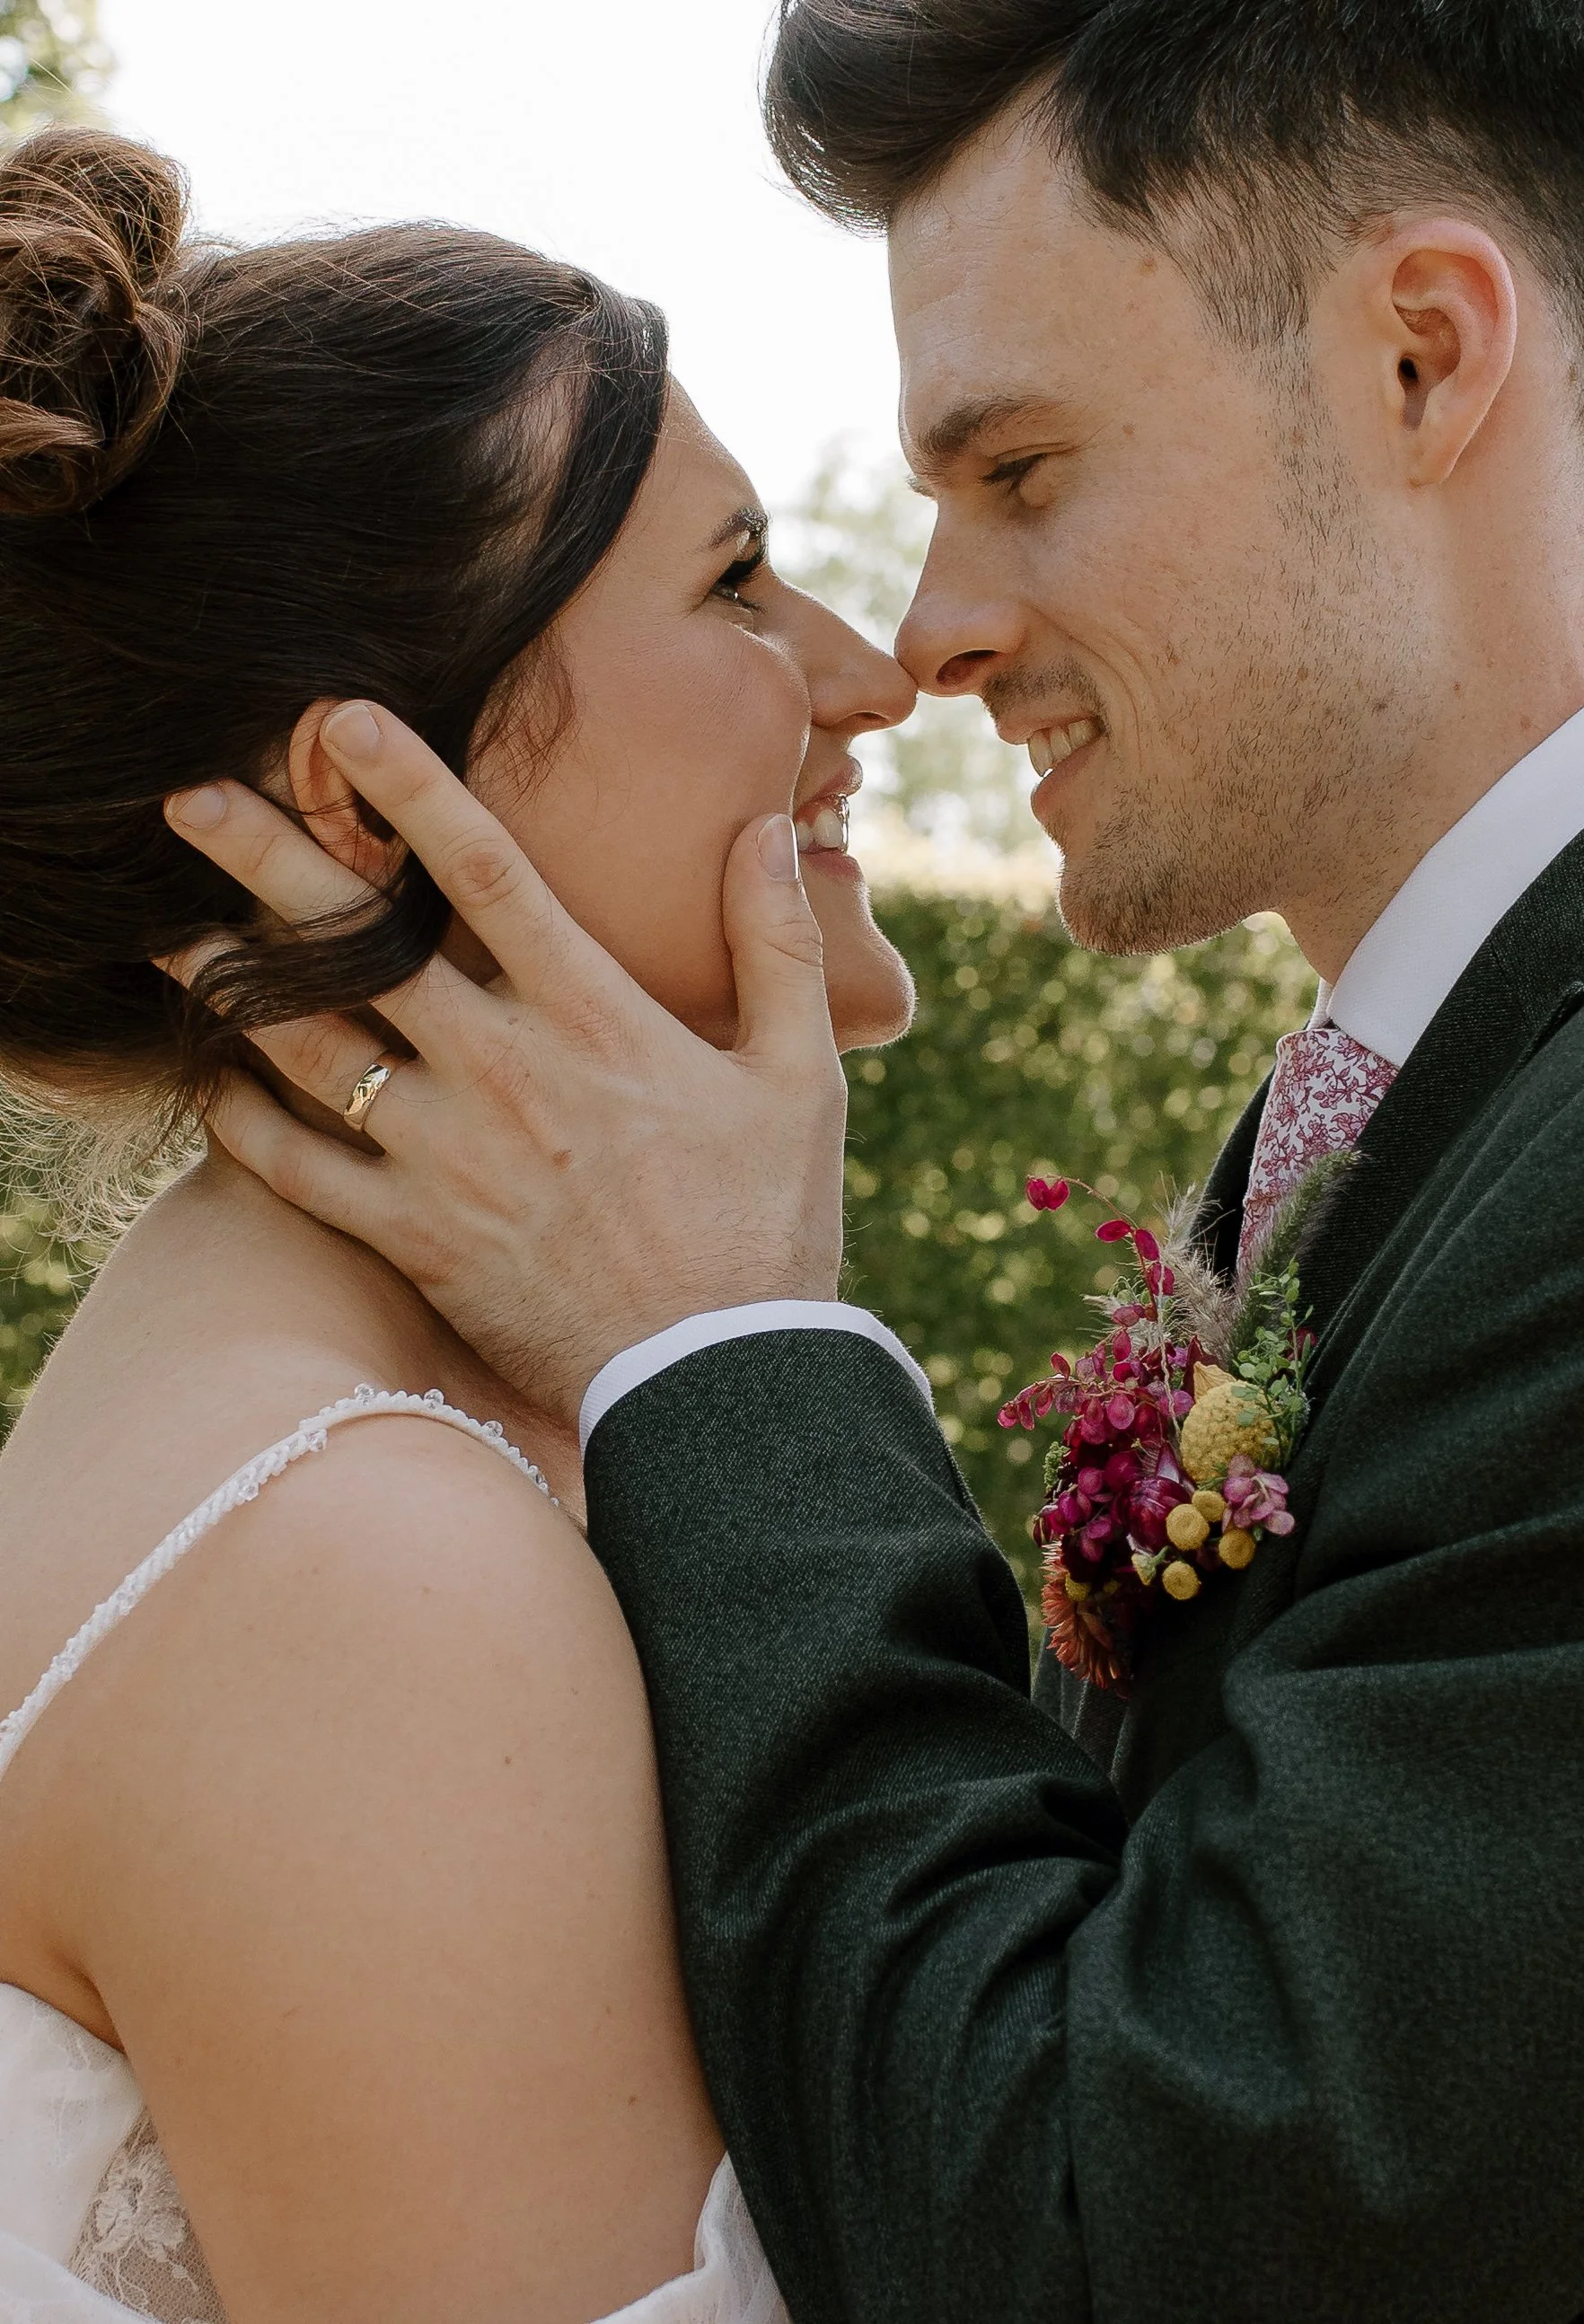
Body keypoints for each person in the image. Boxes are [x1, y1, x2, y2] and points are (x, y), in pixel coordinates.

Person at [177, 4, 1584, 2320]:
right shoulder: (1394, 1109)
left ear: (1421, 361)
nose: (926, 631)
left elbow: (1135, 2233)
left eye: (1019, 470)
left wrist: (717, 1354)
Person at [0, 124, 920, 2321]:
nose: (870, 675)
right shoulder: (363, 1573)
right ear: (367, 792)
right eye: (735, 583)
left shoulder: (361, 1424)